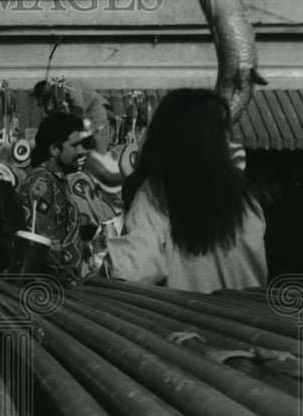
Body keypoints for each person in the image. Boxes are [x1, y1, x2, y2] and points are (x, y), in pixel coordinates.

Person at [100, 89, 267, 293]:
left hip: (185, 322)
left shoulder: (158, 195)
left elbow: (125, 273)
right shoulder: (247, 198)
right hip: (248, 321)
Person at [16, 112, 90, 284]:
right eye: (75, 145)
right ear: (54, 149)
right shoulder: (40, 184)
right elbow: (42, 247)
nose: (81, 151)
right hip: (50, 292)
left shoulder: (53, 181)